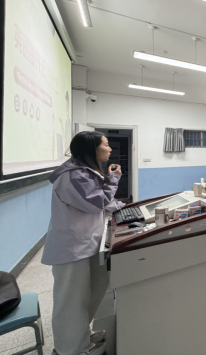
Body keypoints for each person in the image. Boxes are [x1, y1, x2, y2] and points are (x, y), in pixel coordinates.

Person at [42, 131, 125, 355]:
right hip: (72, 248)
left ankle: (81, 336)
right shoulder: (72, 175)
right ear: (92, 149)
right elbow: (96, 201)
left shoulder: (85, 172)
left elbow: (99, 200)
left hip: (88, 243)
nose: (109, 148)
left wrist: (122, 207)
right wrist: (114, 179)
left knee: (92, 291)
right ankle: (70, 350)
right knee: (71, 301)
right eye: (106, 144)